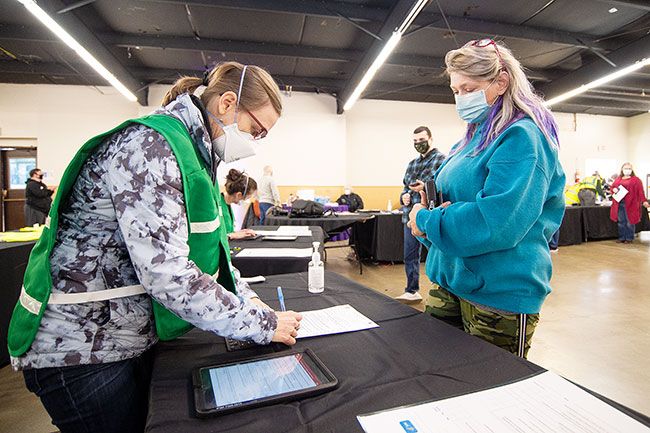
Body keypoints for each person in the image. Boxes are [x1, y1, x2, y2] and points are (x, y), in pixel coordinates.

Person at [7, 61, 302, 433]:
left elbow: (211, 255)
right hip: (82, 349)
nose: (254, 143)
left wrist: (246, 299)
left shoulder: (193, 152)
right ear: (227, 103)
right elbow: (168, 274)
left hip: (117, 338)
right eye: (255, 131)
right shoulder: (151, 147)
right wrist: (260, 323)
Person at [407, 39, 565, 358]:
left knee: (486, 392)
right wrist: (429, 215)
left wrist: (425, 219)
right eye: (455, 91)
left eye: (469, 88)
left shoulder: (522, 138)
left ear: (501, 82)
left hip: (498, 293)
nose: (461, 98)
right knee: (439, 378)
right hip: (452, 280)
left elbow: (495, 223)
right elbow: (451, 203)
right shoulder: (470, 139)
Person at [395, 126, 446, 303]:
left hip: (431, 217)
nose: (419, 144)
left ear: (430, 139)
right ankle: (411, 290)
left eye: (422, 140)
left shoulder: (442, 160)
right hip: (410, 217)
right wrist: (405, 197)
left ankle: (443, 290)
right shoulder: (412, 164)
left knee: (438, 254)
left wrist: (425, 187)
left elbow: (443, 187)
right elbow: (404, 187)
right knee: (409, 255)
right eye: (415, 141)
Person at [610, 162, 649, 243]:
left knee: (629, 221)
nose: (627, 170)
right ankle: (621, 238)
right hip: (619, 203)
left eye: (629, 168)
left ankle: (629, 238)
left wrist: (644, 200)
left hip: (631, 204)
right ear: (622, 169)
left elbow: (640, 191)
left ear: (632, 170)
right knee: (621, 222)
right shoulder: (618, 179)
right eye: (625, 168)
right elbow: (612, 187)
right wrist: (613, 190)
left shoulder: (636, 180)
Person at [222, 168, 259, 240]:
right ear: (239, 195)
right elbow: (213, 237)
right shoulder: (217, 205)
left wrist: (239, 232)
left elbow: (226, 231)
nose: (246, 200)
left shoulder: (227, 205)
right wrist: (232, 236)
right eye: (247, 198)